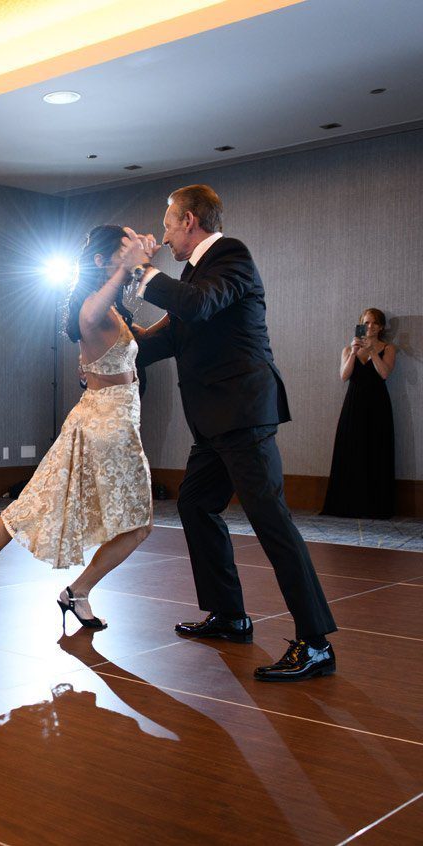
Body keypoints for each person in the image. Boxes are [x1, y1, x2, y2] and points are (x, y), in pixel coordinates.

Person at [129, 184, 337, 682]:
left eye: (168, 222)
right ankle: (229, 616)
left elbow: (197, 307)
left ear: (190, 221)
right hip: (214, 423)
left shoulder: (230, 256)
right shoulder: (192, 276)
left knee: (271, 522)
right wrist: (101, 334)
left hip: (243, 415)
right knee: (196, 504)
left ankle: (315, 643)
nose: (162, 233)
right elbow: (166, 339)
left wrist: (141, 269)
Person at [0, 226, 160, 630]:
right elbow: (93, 313)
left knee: (31, 504)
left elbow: (143, 338)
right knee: (140, 525)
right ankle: (78, 591)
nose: (130, 255)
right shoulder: (92, 307)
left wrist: (162, 288)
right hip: (111, 427)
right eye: (121, 251)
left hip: (92, 420)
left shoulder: (111, 310)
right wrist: (131, 266)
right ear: (101, 262)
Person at [321, 308, 397, 518]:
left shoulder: (388, 348)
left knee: (375, 450)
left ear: (381, 327)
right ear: (360, 324)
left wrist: (373, 352)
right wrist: (354, 352)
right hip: (354, 403)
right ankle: (347, 504)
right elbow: (344, 376)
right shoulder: (348, 349)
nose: (370, 326)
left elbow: (384, 374)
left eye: (374, 323)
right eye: (366, 322)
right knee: (350, 448)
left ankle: (375, 506)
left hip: (377, 404)